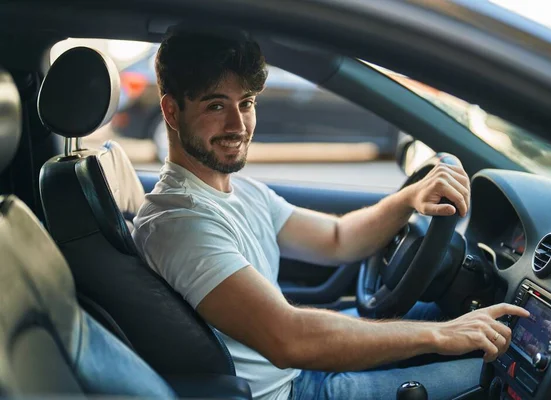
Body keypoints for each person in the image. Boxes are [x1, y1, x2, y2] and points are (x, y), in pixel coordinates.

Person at [132, 30, 529, 400]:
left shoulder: (240, 190)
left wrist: (409, 198)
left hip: (300, 369)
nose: (238, 124)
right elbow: (288, 338)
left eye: (247, 103)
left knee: (471, 326)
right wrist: (440, 336)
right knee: (494, 380)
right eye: (216, 105)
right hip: (290, 390)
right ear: (171, 111)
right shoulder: (178, 221)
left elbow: (337, 239)